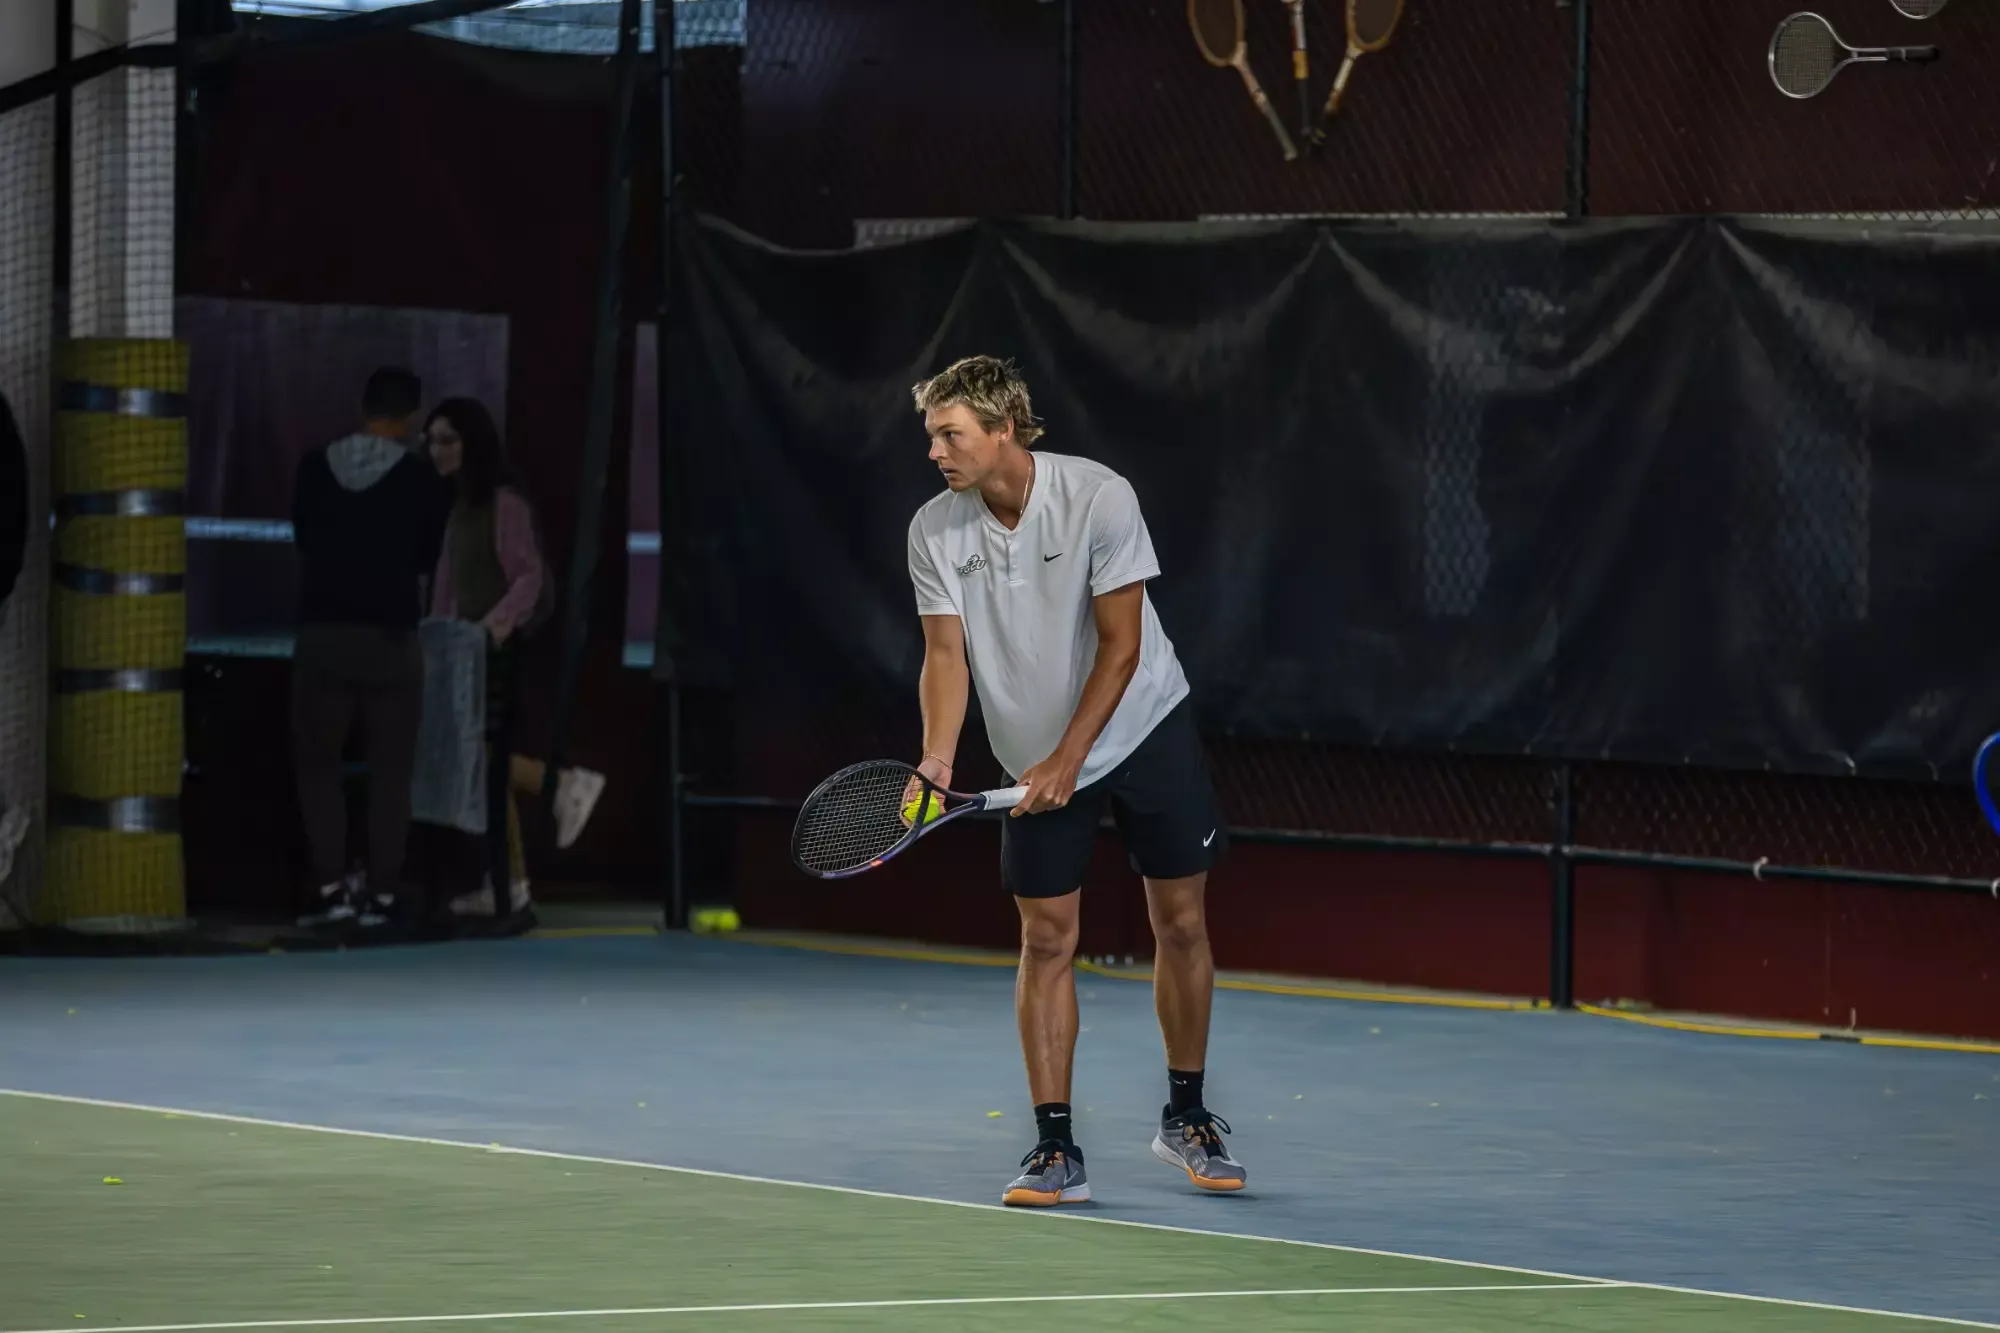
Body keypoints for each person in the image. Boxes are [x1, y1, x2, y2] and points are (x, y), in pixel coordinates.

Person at [904, 355, 1244, 1206]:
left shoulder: (1099, 496)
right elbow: (945, 655)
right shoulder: (933, 530)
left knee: (1182, 921)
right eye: (932, 435)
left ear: (1003, 429)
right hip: (1032, 754)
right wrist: (938, 756)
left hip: (1143, 727)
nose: (936, 451)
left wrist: (1069, 760)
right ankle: (1055, 1146)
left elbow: (1121, 647)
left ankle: (1187, 1116)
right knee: (1047, 939)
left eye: (950, 434)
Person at [423, 397, 604, 921]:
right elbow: (448, 584)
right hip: (462, 653)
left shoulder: (504, 504)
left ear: (472, 443)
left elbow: (530, 577)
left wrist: (491, 631)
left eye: (448, 439)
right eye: (431, 440)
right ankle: (513, 876)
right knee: (482, 767)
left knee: (485, 760)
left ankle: (561, 787)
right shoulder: (461, 506)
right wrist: (441, 641)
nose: (436, 450)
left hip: (495, 655)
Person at [290, 367, 453, 929]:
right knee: (390, 772)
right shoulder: (420, 479)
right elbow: (429, 556)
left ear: (362, 406)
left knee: (318, 767)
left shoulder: (314, 468)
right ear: (410, 418)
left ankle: (333, 889)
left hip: (322, 635)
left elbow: (304, 537)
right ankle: (383, 895)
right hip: (389, 640)